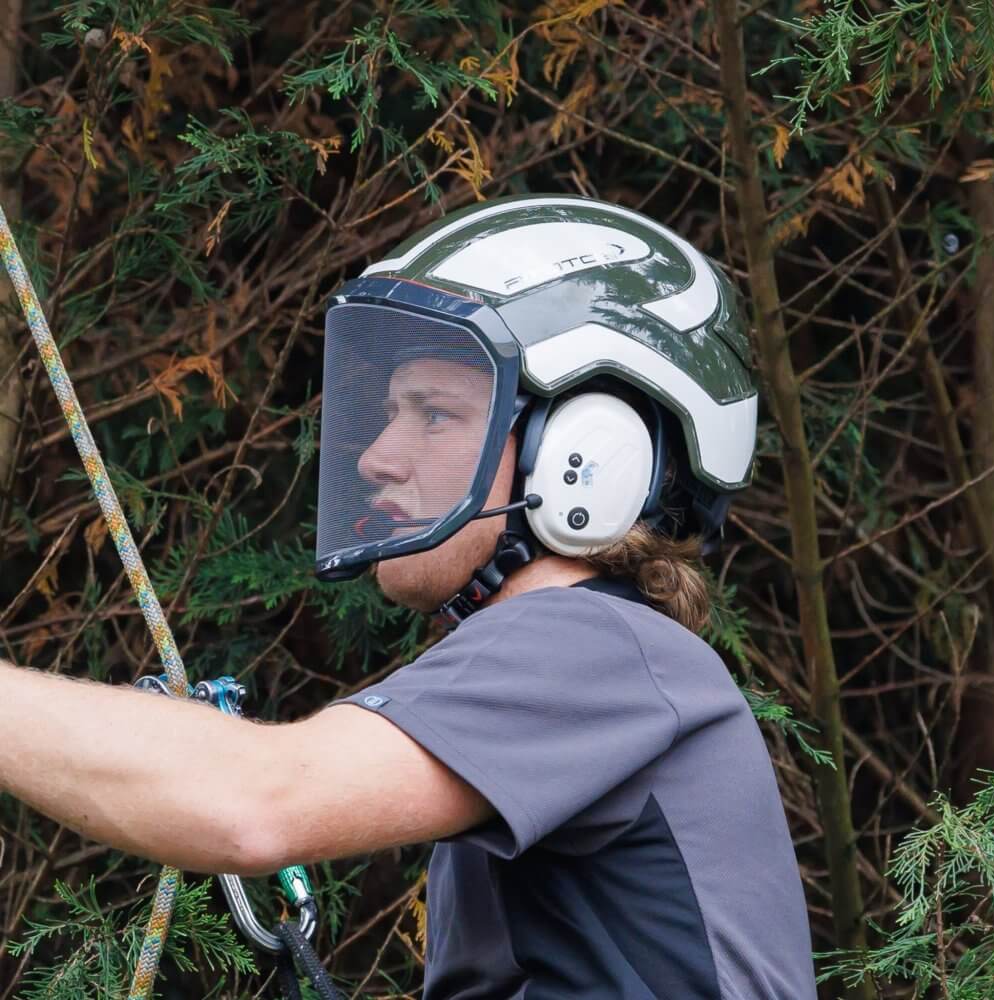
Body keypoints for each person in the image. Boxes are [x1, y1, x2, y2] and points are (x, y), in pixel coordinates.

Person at [0, 195, 817, 999]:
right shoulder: (599, 671)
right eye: (391, 412)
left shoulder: (594, 646)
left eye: (434, 414)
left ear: (590, 450)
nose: (377, 457)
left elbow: (253, 803)